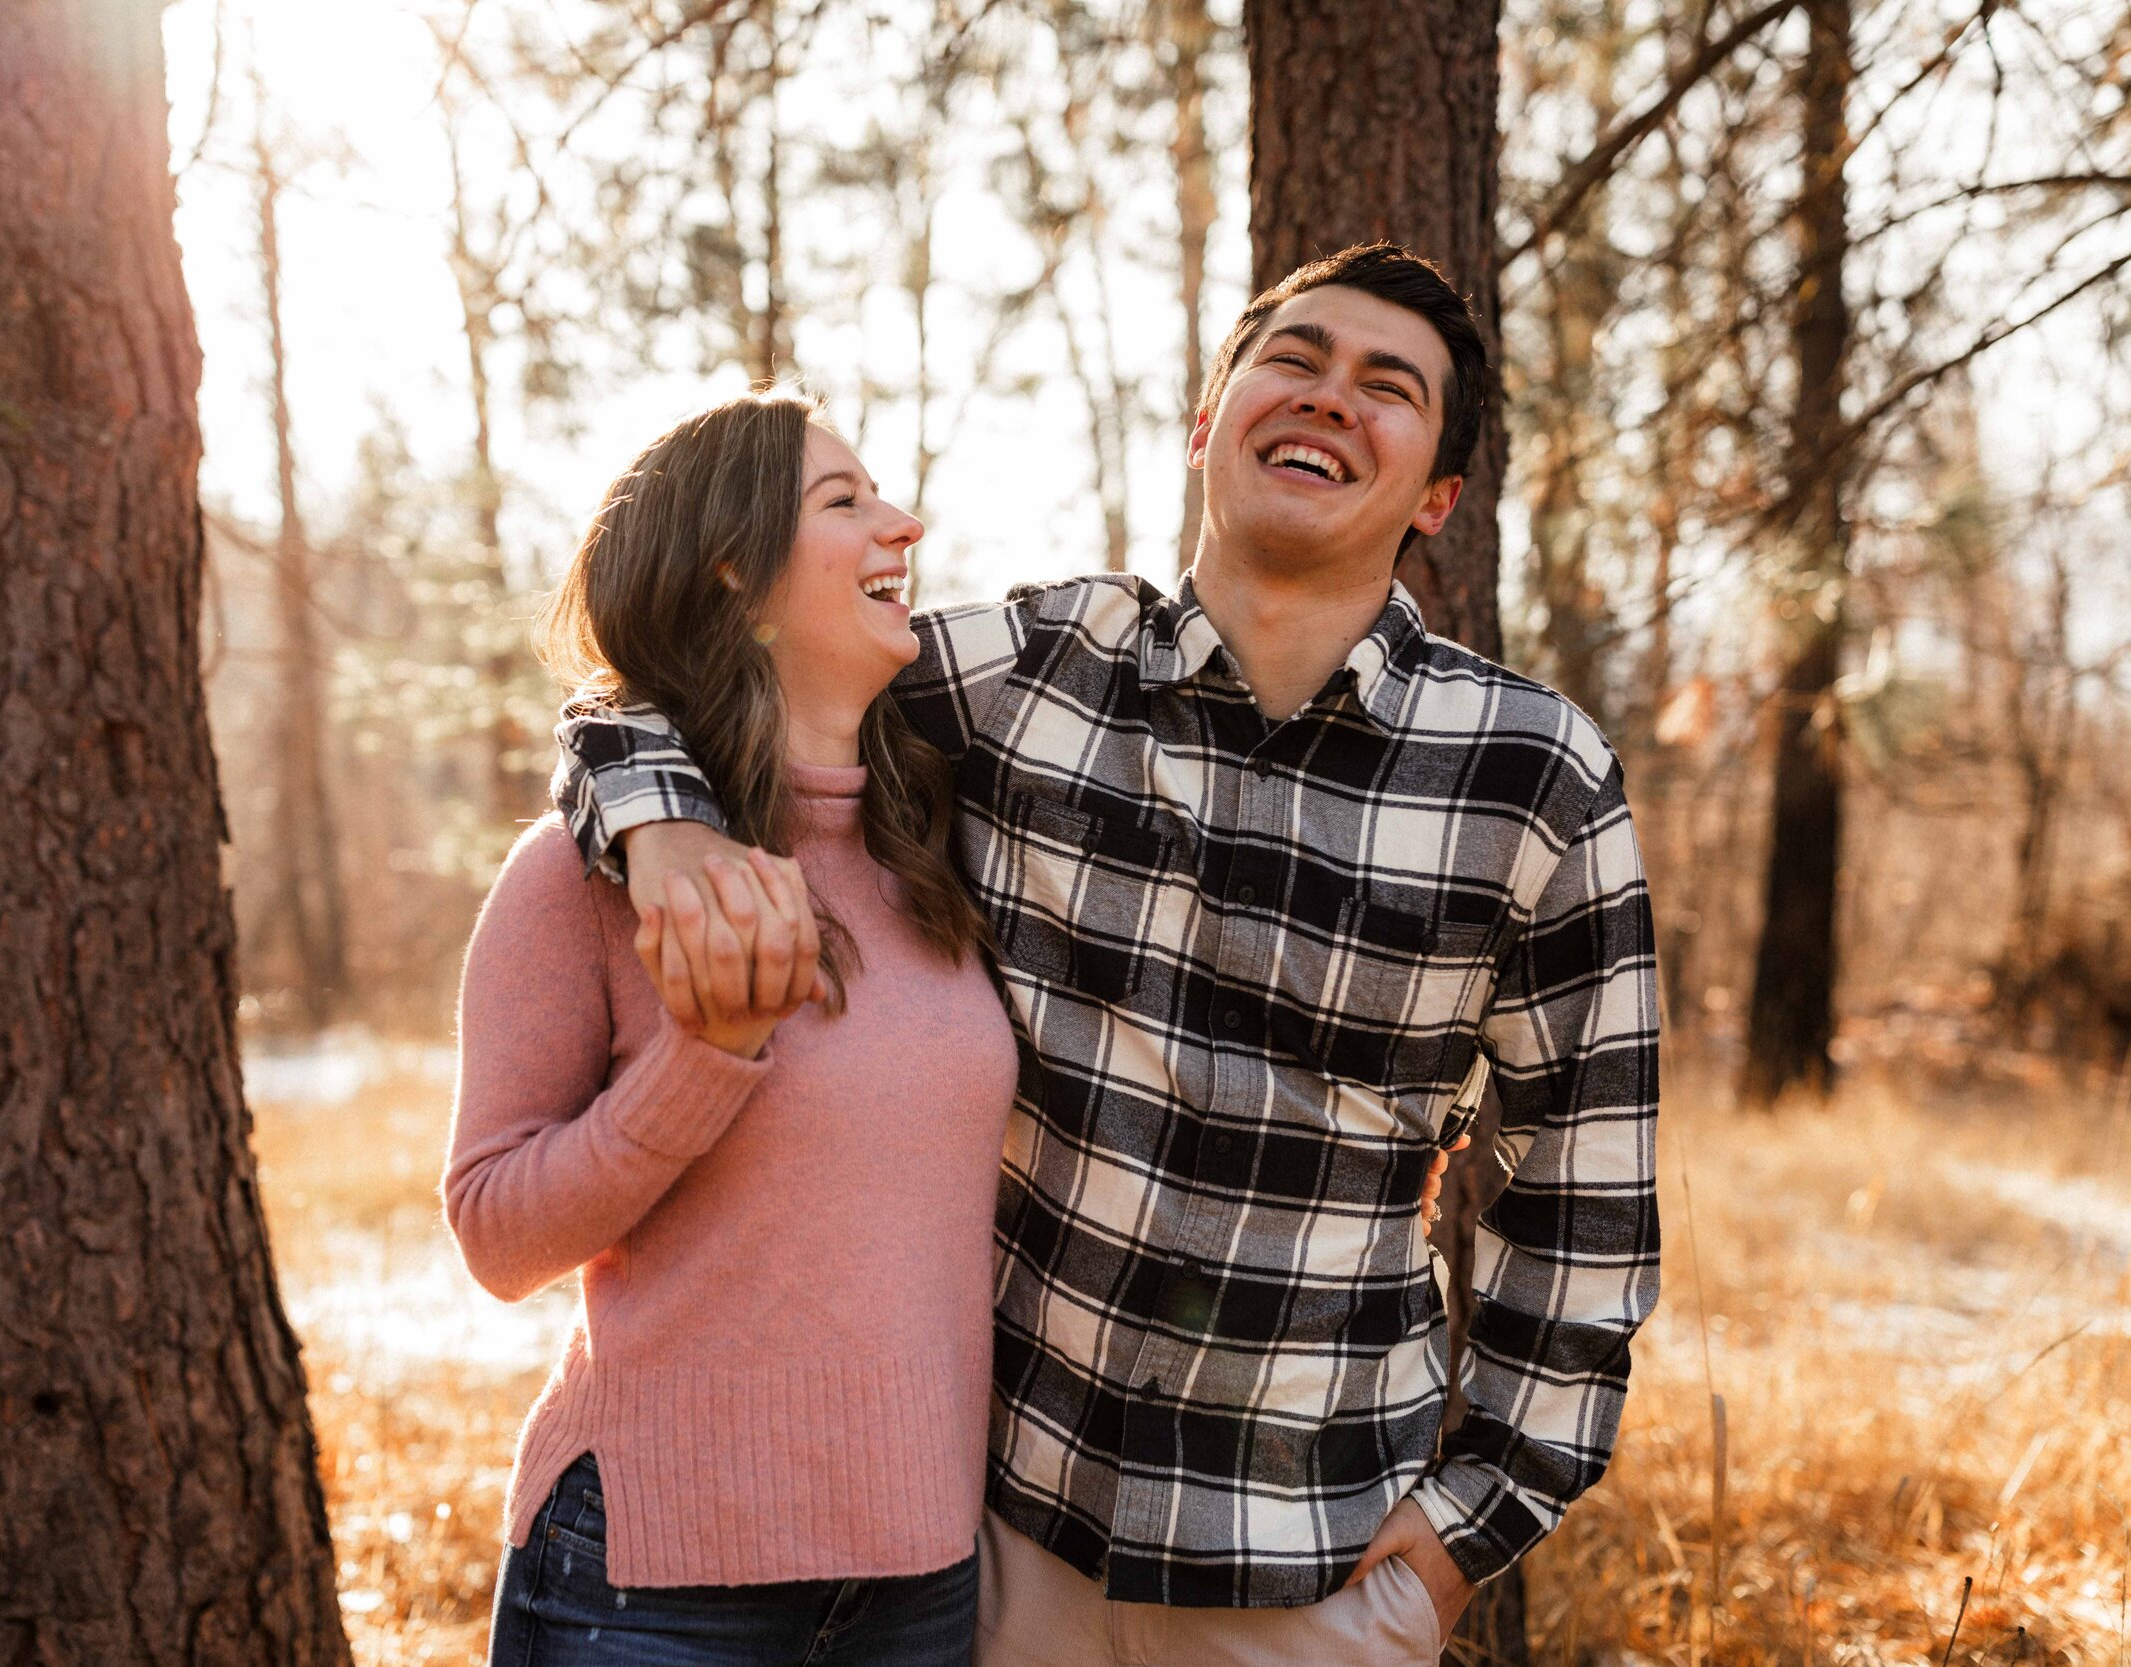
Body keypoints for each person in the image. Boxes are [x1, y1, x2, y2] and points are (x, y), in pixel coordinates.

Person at [551, 242, 1663, 1666]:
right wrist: (662, 829)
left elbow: (1586, 1188)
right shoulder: (1034, 673)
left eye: (1387, 388)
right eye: (1294, 360)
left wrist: (1469, 1528)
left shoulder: (1532, 774)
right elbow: (694, 676)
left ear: (1436, 499)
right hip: (999, 1548)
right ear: (1207, 423)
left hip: (1311, 1573)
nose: (1329, 397)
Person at [442, 392, 1018, 1665]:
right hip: (653, 1582)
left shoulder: (949, 842)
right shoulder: (582, 877)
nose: (903, 524)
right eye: (844, 502)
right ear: (732, 575)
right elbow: (494, 1233)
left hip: (920, 1577)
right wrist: (706, 1057)